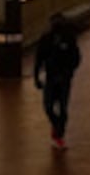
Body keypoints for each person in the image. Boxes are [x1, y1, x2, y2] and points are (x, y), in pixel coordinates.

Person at [34, 13, 81, 150]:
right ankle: (57, 127)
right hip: (52, 78)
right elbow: (39, 59)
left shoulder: (69, 39)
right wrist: (37, 77)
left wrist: (69, 72)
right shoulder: (46, 39)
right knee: (49, 107)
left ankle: (59, 134)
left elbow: (76, 57)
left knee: (62, 109)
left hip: (64, 78)